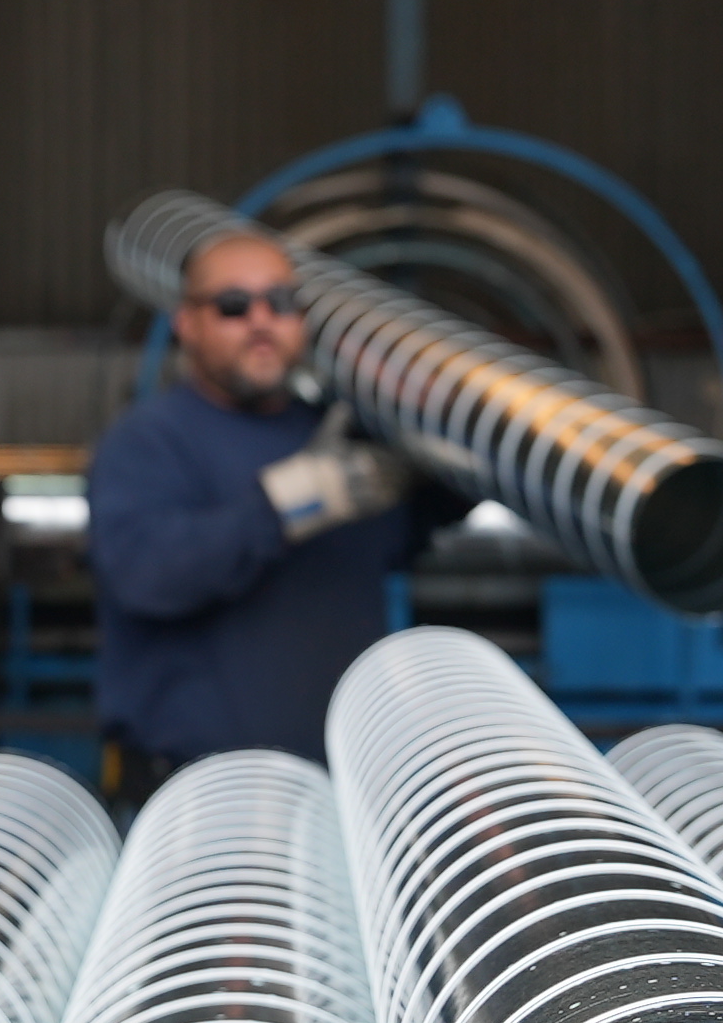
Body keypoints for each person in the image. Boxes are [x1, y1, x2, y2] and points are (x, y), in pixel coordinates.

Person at [87, 223, 466, 798]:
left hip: (336, 795)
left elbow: (404, 532)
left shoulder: (339, 439)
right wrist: (283, 506)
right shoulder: (147, 443)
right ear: (186, 323)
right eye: (233, 305)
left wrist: (444, 443)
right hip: (195, 805)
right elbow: (147, 575)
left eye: (281, 302)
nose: (261, 320)